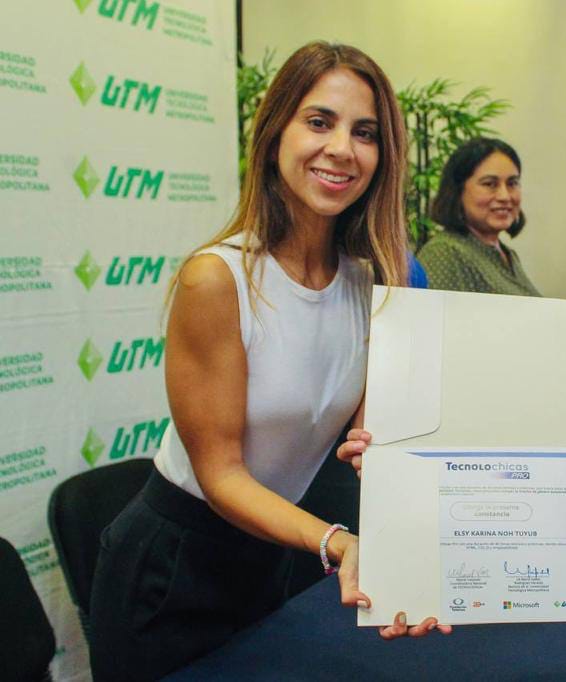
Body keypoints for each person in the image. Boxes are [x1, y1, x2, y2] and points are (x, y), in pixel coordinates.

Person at [89, 42, 446, 682]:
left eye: (365, 133)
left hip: (272, 558)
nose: (342, 148)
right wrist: (340, 543)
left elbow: (375, 443)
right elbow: (221, 475)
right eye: (319, 121)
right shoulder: (217, 278)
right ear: (276, 130)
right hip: (172, 568)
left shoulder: (371, 284)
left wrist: (426, 550)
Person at [417, 137, 541, 296]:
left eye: (512, 183)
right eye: (490, 184)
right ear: (458, 191)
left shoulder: (507, 254)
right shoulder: (444, 253)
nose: (504, 196)